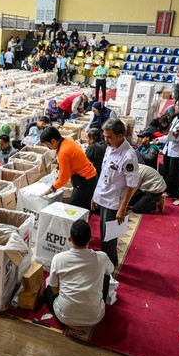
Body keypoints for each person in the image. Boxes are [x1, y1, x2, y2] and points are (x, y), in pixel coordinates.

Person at [43, 219, 114, 329]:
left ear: (70, 239)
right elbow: (111, 270)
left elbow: (54, 288)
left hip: (65, 316)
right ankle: (94, 305)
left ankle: (69, 315)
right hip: (95, 317)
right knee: (106, 275)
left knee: (48, 291)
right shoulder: (102, 257)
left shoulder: (58, 258)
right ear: (91, 238)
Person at [93, 119, 139, 284]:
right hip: (104, 197)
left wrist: (122, 208)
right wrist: (95, 195)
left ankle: (108, 269)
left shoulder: (128, 156)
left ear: (121, 136)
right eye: (105, 136)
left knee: (109, 238)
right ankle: (111, 261)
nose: (106, 140)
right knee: (104, 234)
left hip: (114, 203)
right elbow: (104, 172)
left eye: (110, 137)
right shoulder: (110, 147)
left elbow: (131, 185)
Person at [41, 126, 97, 211]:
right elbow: (64, 170)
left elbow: (64, 178)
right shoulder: (67, 141)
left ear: (53, 141)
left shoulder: (63, 152)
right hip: (87, 176)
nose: (49, 148)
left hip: (86, 180)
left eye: (48, 145)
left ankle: (81, 223)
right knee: (81, 205)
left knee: (75, 209)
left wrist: (51, 189)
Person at [85, 127, 107, 198]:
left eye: (88, 139)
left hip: (94, 177)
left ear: (91, 139)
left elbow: (84, 162)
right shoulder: (102, 145)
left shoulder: (92, 147)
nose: (87, 141)